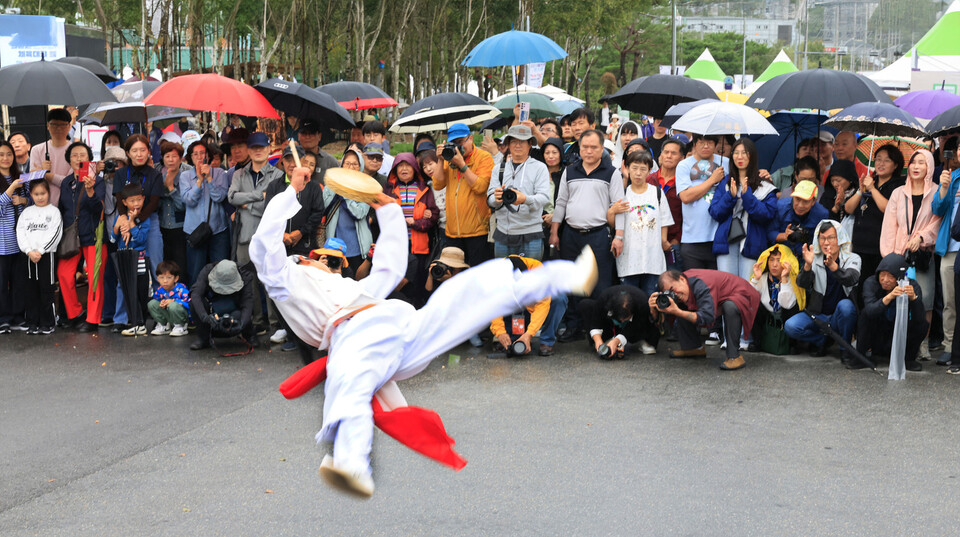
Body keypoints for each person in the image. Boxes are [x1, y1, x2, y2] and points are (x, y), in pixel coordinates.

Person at [249, 164, 599, 498]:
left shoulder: (352, 288)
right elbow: (264, 249)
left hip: (394, 323)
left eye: (330, 260)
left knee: (463, 295)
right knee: (349, 386)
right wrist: (292, 191)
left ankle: (565, 276)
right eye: (320, 258)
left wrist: (386, 209)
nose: (326, 263)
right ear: (304, 261)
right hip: (353, 335)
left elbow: (389, 264)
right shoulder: (288, 281)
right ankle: (351, 463)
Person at [880, 149, 941, 360]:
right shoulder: (898, 193)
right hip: (899, 254)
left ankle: (922, 343)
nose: (916, 166)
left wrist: (922, 237)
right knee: (900, 298)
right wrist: (889, 257)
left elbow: (937, 222)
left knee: (925, 301)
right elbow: (889, 226)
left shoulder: (936, 191)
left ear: (930, 167)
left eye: (922, 163)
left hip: (922, 255)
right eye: (914, 162)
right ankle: (900, 341)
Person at [549, 129, 623, 294]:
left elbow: (619, 207)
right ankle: (574, 320)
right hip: (570, 235)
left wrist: (619, 236)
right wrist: (554, 232)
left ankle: (596, 320)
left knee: (600, 284)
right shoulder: (569, 171)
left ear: (602, 148)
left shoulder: (611, 173)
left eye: (594, 147)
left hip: (599, 236)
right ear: (579, 148)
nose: (589, 151)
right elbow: (560, 203)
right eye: (585, 147)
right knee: (572, 284)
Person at [651, 269, 760, 370]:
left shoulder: (701, 285)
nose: (674, 294)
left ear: (682, 279)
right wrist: (655, 309)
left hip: (744, 296)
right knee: (679, 303)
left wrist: (677, 311)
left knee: (730, 306)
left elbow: (708, 318)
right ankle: (692, 347)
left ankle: (735, 357)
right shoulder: (684, 284)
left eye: (673, 289)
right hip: (719, 299)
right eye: (669, 293)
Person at [784, 220, 861, 362]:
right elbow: (802, 284)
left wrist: (834, 268)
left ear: (840, 239)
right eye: (822, 238)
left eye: (831, 238)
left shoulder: (852, 258)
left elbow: (852, 278)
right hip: (818, 315)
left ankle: (845, 349)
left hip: (839, 316)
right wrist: (807, 265)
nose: (826, 243)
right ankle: (821, 340)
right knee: (790, 326)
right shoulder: (815, 257)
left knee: (846, 306)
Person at [709, 137, 778, 281]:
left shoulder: (764, 185)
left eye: (744, 153)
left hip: (752, 243)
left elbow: (767, 214)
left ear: (751, 156)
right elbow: (715, 212)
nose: (739, 157)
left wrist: (748, 197)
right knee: (727, 286)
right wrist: (731, 196)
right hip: (726, 243)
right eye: (736, 152)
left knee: (748, 287)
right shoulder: (725, 182)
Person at [430, 122, 495, 267]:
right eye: (454, 143)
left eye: (461, 142)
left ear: (470, 138)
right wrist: (440, 161)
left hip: (477, 232)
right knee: (455, 276)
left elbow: (480, 187)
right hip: (453, 232)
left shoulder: (484, 157)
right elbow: (437, 184)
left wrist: (462, 165)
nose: (458, 147)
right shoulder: (449, 158)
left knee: (477, 275)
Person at [58, 142, 106, 332]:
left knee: (95, 278)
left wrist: (90, 191)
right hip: (71, 236)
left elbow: (99, 209)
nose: (79, 158)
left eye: (83, 155)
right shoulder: (65, 182)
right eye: (74, 155)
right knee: (63, 273)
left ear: (89, 159)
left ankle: (93, 319)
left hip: (94, 235)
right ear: (69, 160)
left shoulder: (97, 181)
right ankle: (75, 314)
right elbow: (63, 209)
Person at [611, 150, 672, 294]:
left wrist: (663, 240)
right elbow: (613, 222)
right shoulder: (622, 194)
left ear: (650, 170)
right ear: (627, 168)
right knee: (630, 302)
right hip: (628, 259)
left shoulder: (657, 193)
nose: (638, 173)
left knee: (651, 300)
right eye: (634, 168)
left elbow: (664, 219)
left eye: (643, 169)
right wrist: (612, 210)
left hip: (653, 259)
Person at [845, 144, 904, 290]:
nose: (881, 164)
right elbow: (849, 208)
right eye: (878, 159)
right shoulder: (870, 181)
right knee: (859, 288)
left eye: (887, 160)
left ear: (896, 165)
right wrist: (860, 190)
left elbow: (889, 208)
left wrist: (872, 189)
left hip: (880, 248)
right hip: (859, 245)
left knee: (876, 288)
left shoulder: (898, 186)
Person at [487, 125, 551, 260]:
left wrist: (525, 199)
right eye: (514, 141)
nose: (518, 145)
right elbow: (490, 199)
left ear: (530, 145)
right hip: (503, 233)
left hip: (531, 234)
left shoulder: (540, 168)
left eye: (522, 141)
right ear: (508, 144)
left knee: (531, 278)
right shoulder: (499, 169)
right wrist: (496, 198)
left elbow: (544, 197)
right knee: (504, 278)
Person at [857, 253, 927, 371]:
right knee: (864, 314)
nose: (885, 280)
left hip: (899, 335)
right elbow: (870, 311)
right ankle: (860, 357)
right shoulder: (871, 283)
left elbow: (920, 318)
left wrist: (914, 299)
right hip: (877, 336)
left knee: (922, 324)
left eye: (890, 276)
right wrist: (889, 297)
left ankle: (909, 359)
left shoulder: (912, 286)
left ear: (899, 277)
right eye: (882, 275)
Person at [384, 153, 438, 306]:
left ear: (414, 168)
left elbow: (433, 215)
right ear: (395, 169)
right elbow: (381, 213)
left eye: (408, 165)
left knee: (418, 279)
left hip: (419, 243)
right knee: (398, 277)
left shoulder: (424, 189)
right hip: (396, 243)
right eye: (400, 166)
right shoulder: (389, 190)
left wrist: (416, 222)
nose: (404, 169)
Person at [675, 134, 729, 270]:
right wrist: (712, 180)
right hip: (692, 239)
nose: (706, 146)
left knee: (717, 288)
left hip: (719, 238)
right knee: (695, 286)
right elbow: (686, 197)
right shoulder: (684, 165)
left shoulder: (727, 163)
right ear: (695, 144)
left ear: (716, 144)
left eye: (710, 142)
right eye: (701, 142)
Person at [182, 140, 232, 285]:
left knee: (221, 270)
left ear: (208, 156)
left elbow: (220, 197)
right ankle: (197, 304)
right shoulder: (185, 176)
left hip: (218, 230)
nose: (199, 157)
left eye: (202, 153)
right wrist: (199, 181)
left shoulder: (219, 173)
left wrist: (209, 178)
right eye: (195, 154)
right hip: (195, 231)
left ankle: (220, 305)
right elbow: (189, 200)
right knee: (196, 272)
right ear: (190, 157)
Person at [115, 134, 165, 275]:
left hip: (150, 220)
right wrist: (126, 221)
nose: (139, 154)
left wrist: (135, 221)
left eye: (143, 150)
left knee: (156, 266)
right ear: (128, 153)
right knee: (127, 270)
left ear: (148, 151)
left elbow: (154, 203)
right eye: (135, 150)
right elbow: (119, 200)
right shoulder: (121, 174)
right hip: (126, 219)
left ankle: (159, 296)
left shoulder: (155, 175)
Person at [16, 179, 61, 334]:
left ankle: (47, 322)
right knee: (30, 290)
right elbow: (20, 232)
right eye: (36, 194)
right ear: (31, 195)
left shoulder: (54, 212)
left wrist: (40, 251)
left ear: (48, 193)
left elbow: (55, 234)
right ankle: (32, 322)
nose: (40, 197)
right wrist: (28, 250)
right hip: (28, 256)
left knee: (46, 289)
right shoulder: (26, 213)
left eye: (43, 193)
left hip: (46, 256)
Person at [489, 256, 554, 356]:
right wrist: (500, 332)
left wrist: (529, 334)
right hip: (512, 305)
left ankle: (546, 341)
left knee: (560, 300)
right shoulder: (496, 275)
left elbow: (542, 306)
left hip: (532, 305)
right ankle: (509, 337)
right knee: (512, 341)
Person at [323, 149, 375, 274]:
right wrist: (338, 187)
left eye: (355, 164)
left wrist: (345, 192)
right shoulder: (331, 184)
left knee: (357, 282)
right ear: (342, 165)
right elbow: (324, 207)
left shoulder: (366, 188)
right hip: (335, 246)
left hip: (358, 247)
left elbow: (359, 213)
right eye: (347, 163)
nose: (350, 167)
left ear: (360, 166)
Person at [931, 139, 960, 360]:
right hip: (951, 246)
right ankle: (950, 345)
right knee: (949, 300)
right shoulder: (953, 176)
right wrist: (943, 187)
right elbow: (937, 209)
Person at [189, 259, 257, 350]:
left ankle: (249, 335)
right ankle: (203, 338)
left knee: (247, 309)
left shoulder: (244, 273)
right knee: (193, 303)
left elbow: (247, 302)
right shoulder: (207, 271)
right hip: (212, 315)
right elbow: (195, 295)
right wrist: (205, 317)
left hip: (235, 314)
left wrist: (242, 324)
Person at [748, 244, 803, 353]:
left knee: (791, 308)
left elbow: (787, 304)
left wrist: (784, 279)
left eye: (779, 260)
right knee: (753, 305)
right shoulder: (764, 277)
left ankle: (792, 344)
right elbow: (747, 297)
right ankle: (757, 341)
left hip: (785, 315)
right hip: (768, 316)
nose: (774, 264)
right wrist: (756, 278)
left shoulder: (792, 279)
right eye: (771, 260)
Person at [113, 184, 152, 336]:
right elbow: (112, 240)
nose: (136, 204)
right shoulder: (120, 217)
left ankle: (140, 322)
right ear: (124, 202)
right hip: (124, 258)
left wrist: (132, 225)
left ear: (143, 199)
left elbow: (141, 240)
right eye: (132, 200)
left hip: (141, 258)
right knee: (125, 289)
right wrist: (117, 228)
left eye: (139, 200)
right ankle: (131, 321)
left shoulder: (144, 218)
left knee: (140, 290)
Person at [579, 284, 659, 358]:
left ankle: (644, 340)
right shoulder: (604, 298)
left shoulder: (642, 302)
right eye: (620, 319)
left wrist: (617, 340)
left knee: (652, 313)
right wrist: (598, 341)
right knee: (586, 304)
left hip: (637, 323)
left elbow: (635, 326)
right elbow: (595, 321)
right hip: (610, 322)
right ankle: (607, 339)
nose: (622, 321)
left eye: (625, 319)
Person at [0, 142, 27, 332]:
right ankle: (3, 318)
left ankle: (18, 316)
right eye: (1, 155)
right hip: (1, 242)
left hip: (19, 240)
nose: (5, 158)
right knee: (1, 283)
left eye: (9, 154)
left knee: (19, 281)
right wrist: (11, 190)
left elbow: (33, 202)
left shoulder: (20, 177)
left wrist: (24, 199)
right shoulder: (13, 183)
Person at [770, 180, 830, 260]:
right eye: (797, 199)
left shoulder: (822, 214)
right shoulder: (780, 207)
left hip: (809, 256)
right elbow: (770, 232)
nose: (800, 205)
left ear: (813, 201)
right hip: (781, 256)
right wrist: (784, 236)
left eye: (805, 201)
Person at [648, 138, 684, 269]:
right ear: (660, 155)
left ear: (682, 158)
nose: (669, 156)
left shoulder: (684, 183)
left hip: (672, 243)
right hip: (649, 242)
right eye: (666, 152)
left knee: (671, 283)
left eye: (674, 153)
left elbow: (687, 214)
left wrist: (676, 240)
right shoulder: (649, 180)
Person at [157, 141, 189, 285]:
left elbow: (183, 206)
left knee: (181, 266)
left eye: (174, 156)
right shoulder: (158, 175)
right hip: (162, 226)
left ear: (181, 158)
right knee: (165, 266)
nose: (170, 160)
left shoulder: (187, 175)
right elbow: (155, 204)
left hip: (181, 227)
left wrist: (170, 188)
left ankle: (181, 298)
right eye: (167, 156)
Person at [29, 108, 73, 207]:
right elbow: (33, 180)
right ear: (48, 125)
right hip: (43, 206)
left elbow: (69, 183)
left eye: (63, 125)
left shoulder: (75, 150)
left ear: (69, 126)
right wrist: (40, 173)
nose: (59, 128)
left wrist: (43, 173)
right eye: (54, 124)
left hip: (69, 205)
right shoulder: (37, 150)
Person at [147, 260, 190, 337]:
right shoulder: (160, 290)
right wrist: (162, 302)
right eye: (162, 278)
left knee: (173, 305)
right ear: (157, 278)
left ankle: (181, 327)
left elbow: (190, 304)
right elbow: (156, 302)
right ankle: (164, 326)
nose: (165, 281)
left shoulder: (181, 289)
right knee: (152, 303)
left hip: (182, 318)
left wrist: (174, 301)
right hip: (170, 317)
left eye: (169, 277)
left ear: (176, 278)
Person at [826, 160, 859, 239]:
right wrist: (836, 208)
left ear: (850, 179)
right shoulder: (828, 195)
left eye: (838, 180)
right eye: (832, 180)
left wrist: (844, 204)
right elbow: (825, 222)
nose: (835, 184)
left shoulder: (858, 194)